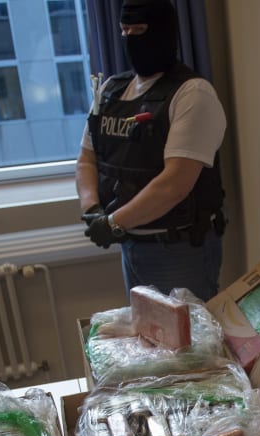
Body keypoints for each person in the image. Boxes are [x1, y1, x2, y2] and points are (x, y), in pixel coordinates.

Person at [76, 0, 227, 303]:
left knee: (189, 347)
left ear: (164, 32)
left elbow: (174, 184)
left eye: (140, 30)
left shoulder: (191, 93)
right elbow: (86, 160)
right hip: (129, 244)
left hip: (178, 250)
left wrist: (113, 222)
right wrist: (92, 210)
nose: (131, 38)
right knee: (149, 342)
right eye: (124, 30)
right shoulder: (110, 91)